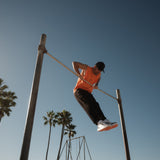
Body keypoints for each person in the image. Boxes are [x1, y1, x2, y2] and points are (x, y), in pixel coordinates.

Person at [72, 61, 118, 132]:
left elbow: (99, 79)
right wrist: (78, 74)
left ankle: (104, 120)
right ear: (95, 67)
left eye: (100, 71)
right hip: (79, 90)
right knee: (89, 105)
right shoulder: (87, 68)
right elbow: (74, 63)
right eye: (98, 70)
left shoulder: (98, 74)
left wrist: (96, 84)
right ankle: (99, 124)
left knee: (96, 105)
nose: (98, 72)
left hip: (88, 92)